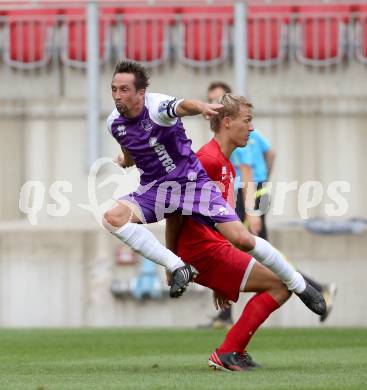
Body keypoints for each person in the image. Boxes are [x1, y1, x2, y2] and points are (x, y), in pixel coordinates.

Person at [104, 60, 326, 316]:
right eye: (114, 89)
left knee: (243, 239)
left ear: (141, 93)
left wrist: (202, 107)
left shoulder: (156, 107)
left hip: (192, 184)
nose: (117, 96)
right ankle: (178, 267)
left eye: (124, 90)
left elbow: (183, 106)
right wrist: (125, 161)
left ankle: (300, 286)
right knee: (112, 218)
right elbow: (130, 148)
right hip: (156, 190)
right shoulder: (114, 123)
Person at [167, 93, 289, 371]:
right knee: (281, 284)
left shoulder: (225, 164)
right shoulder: (205, 160)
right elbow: (175, 212)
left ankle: (232, 351)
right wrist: (171, 262)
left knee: (280, 284)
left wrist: (221, 278)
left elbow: (216, 220)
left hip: (212, 249)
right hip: (202, 251)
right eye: (247, 121)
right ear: (227, 122)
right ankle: (229, 352)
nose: (252, 128)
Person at [207, 81, 336, 325]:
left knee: (259, 253)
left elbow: (244, 171)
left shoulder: (232, 132)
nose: (215, 103)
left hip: (246, 196)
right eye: (211, 98)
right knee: (257, 252)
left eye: (219, 98)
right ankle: (225, 313)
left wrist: (252, 209)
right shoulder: (251, 134)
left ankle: (318, 290)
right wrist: (263, 182)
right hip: (257, 192)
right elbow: (271, 153)